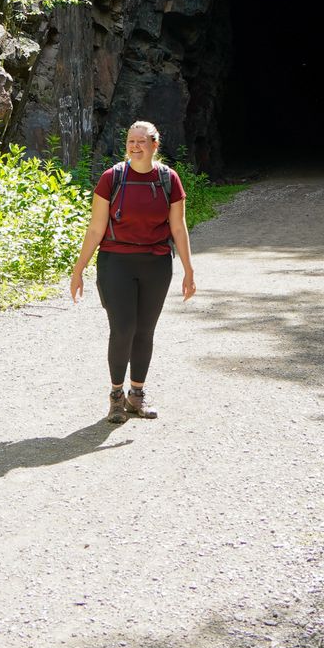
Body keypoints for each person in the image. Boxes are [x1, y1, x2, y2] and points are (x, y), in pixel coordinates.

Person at [69, 120, 196, 423]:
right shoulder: (111, 179)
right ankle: (115, 396)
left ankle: (136, 396)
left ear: (155, 145)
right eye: (130, 141)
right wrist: (79, 268)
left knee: (145, 331)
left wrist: (189, 270)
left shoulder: (169, 180)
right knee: (123, 329)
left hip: (156, 263)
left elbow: (178, 227)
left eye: (142, 141)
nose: (135, 147)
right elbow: (96, 227)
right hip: (116, 261)